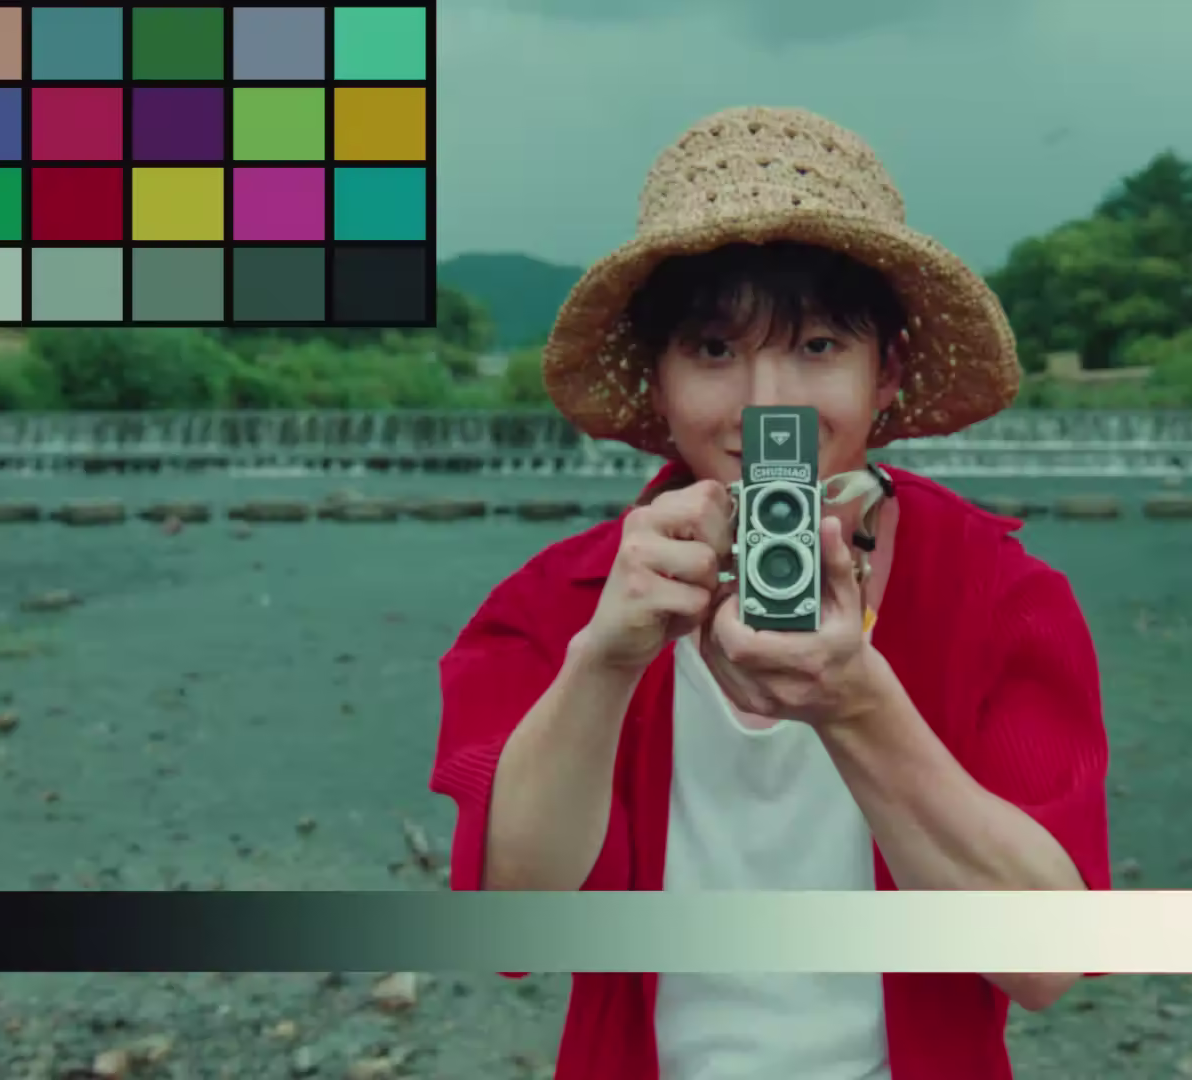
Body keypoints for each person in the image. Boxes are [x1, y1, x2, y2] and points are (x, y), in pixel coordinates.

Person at [431, 106, 1111, 1080]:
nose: (767, 403)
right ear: (661, 383)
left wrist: (858, 703)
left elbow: (1047, 966)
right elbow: (516, 923)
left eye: (820, 346)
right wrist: (606, 660)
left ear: (890, 374)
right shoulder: (559, 601)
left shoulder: (1003, 595)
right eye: (713, 351)